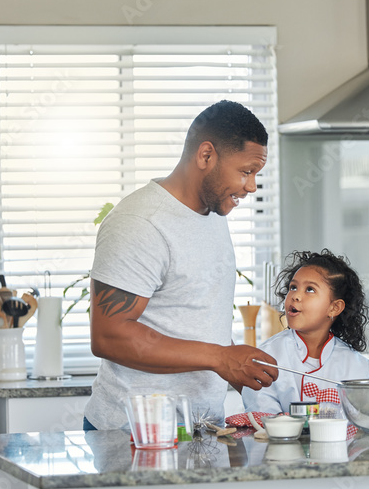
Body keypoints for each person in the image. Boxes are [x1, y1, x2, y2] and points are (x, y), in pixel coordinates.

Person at [83, 100, 280, 431]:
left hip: (198, 430)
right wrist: (219, 358)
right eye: (246, 172)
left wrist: (236, 364)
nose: (251, 187)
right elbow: (109, 336)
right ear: (206, 156)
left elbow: (189, 321)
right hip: (131, 433)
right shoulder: (141, 222)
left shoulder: (211, 214)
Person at [241, 249, 369, 416]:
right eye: (293, 287)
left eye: (310, 289)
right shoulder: (266, 356)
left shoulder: (359, 368)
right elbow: (261, 415)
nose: (295, 295)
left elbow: (368, 421)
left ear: (334, 307)